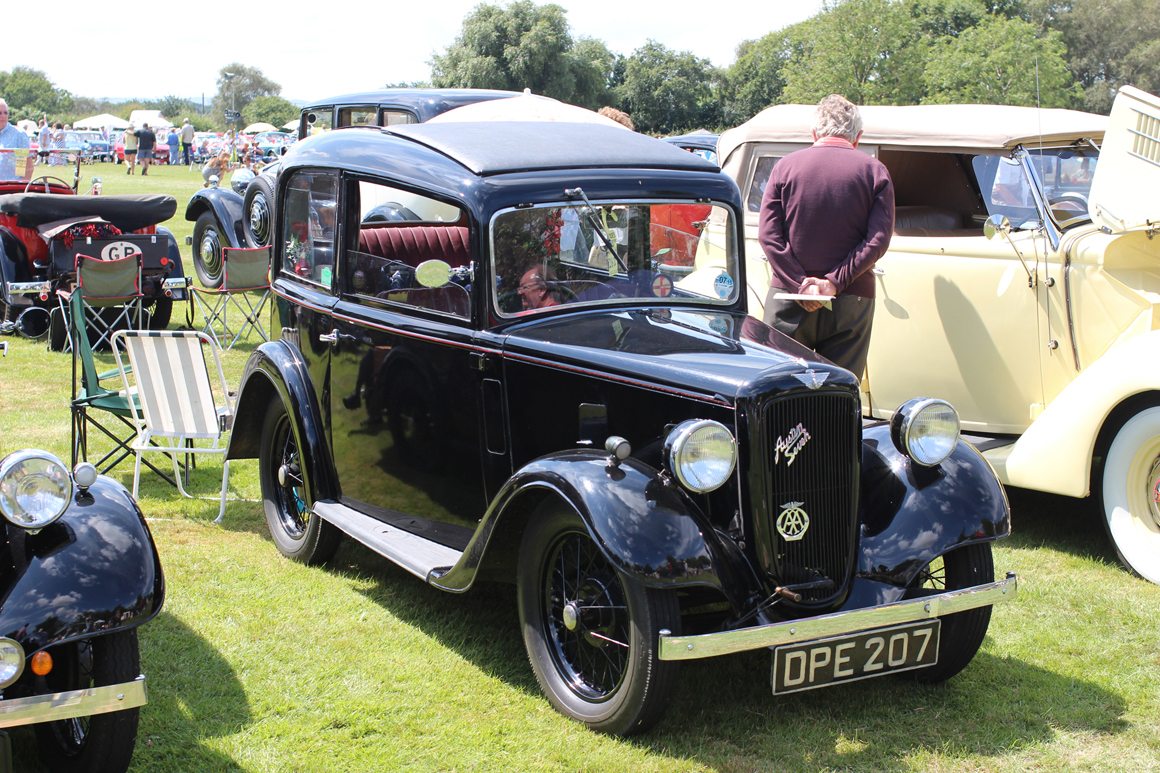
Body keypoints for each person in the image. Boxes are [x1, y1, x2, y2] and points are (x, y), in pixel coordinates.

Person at [758, 94, 894, 377]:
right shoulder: (874, 171)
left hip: (788, 296)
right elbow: (877, 240)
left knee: (778, 388)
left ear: (814, 133)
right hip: (851, 299)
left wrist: (801, 284)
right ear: (857, 137)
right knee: (839, 391)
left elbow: (769, 235)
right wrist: (834, 282)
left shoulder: (785, 167)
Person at [0, 99, 33, 180]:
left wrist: (21, 188)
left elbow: (27, 167)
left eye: (5, 113)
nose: (3, 116)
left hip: (11, 188)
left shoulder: (18, 134)